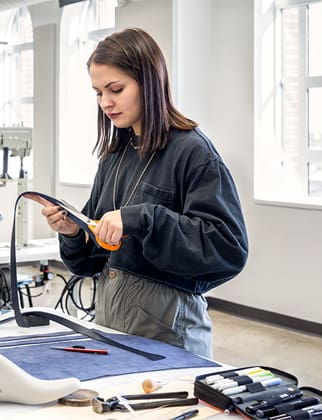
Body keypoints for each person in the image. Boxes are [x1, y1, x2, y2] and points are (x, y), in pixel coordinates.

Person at [31, 28, 248, 358]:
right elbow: (88, 263)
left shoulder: (192, 152)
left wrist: (141, 219)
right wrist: (74, 231)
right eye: (98, 92)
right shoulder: (114, 156)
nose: (106, 102)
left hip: (169, 327)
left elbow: (227, 248)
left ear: (149, 81)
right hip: (110, 317)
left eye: (116, 89)